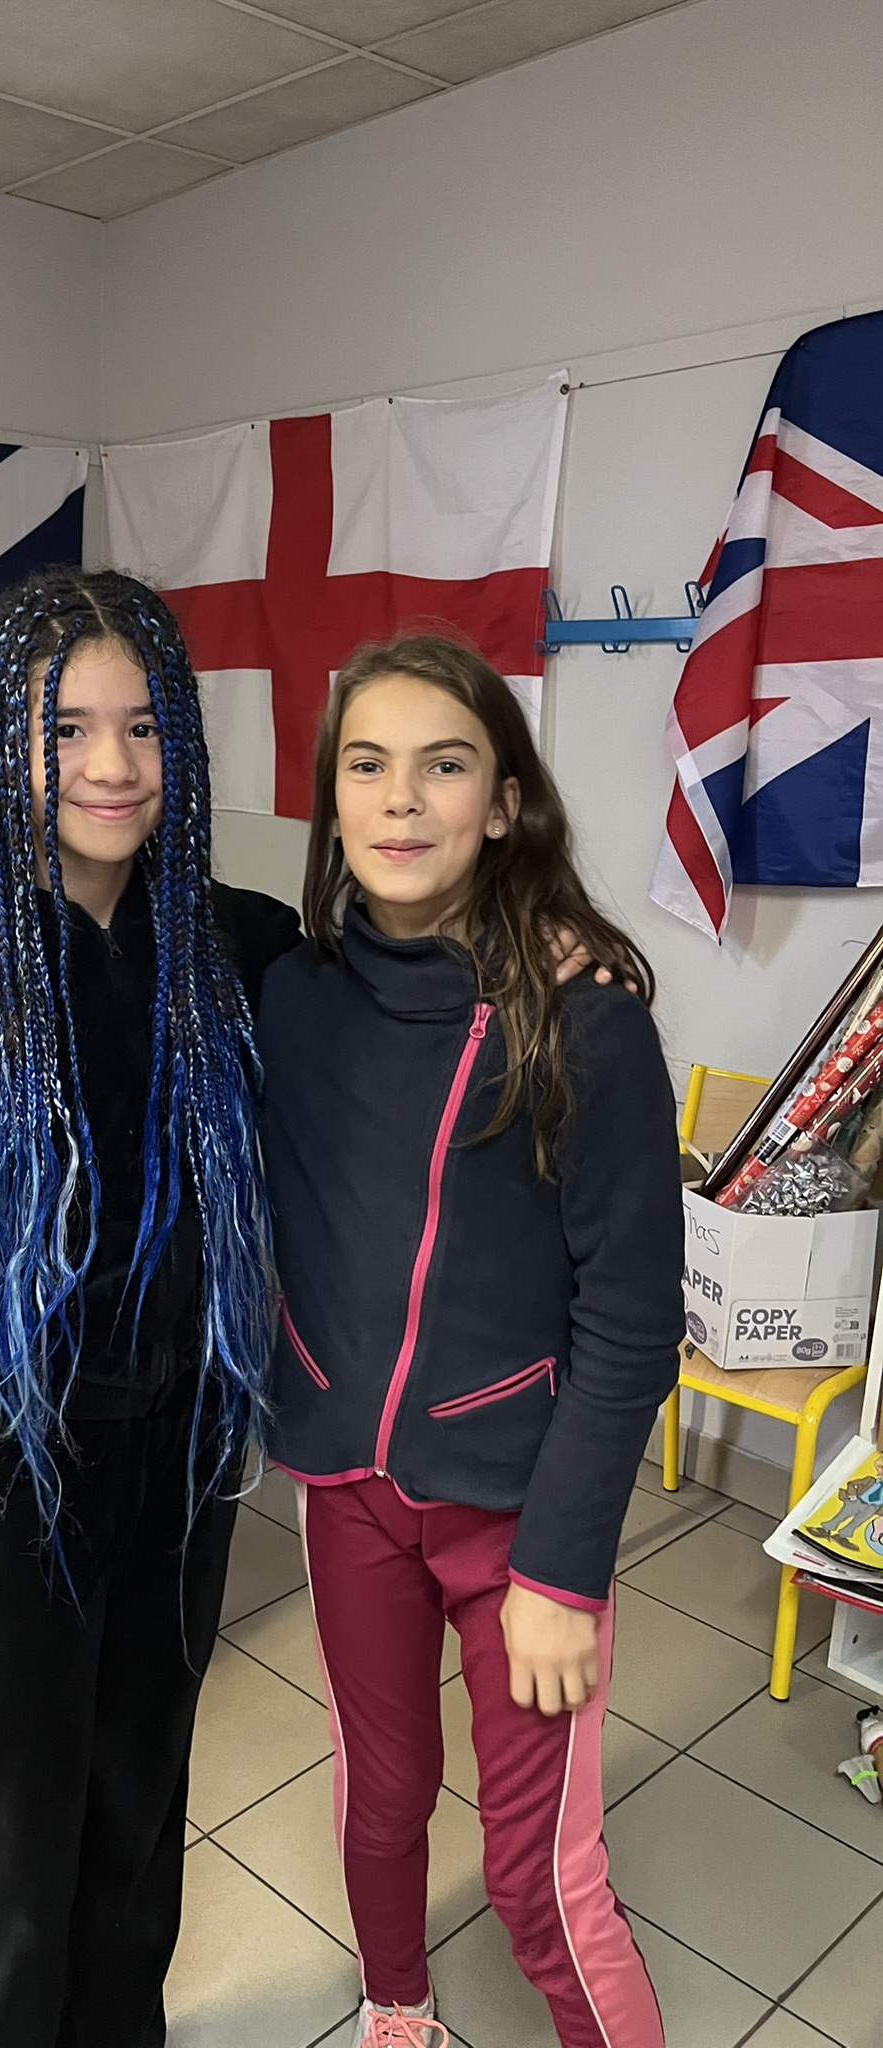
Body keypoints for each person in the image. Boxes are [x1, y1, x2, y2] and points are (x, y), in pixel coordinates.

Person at [0, 567, 299, 2048]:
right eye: (67, 730)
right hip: (12, 1472)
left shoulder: (235, 952)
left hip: (179, 1462)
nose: (112, 765)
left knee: (142, 1787)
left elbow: (414, 971)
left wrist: (555, 945)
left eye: (143, 726)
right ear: (8, 748)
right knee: (28, 1814)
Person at [257, 637, 684, 2048]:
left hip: (521, 1518)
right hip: (349, 1489)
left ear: (502, 803)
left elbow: (633, 1325)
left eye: (443, 766)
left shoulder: (585, 1024)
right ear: (332, 800)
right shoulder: (291, 994)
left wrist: (562, 1571)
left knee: (535, 1878)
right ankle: (395, 2003)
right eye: (366, 765)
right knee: (380, 1799)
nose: (401, 798)